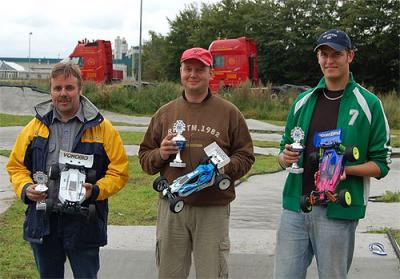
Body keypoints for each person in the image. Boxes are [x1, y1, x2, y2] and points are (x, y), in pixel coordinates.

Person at [274, 29, 392, 278]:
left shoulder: (369, 104)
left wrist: (344, 170)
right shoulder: (302, 101)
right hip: (295, 208)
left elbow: (382, 164)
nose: (329, 60)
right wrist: (286, 157)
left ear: (350, 55)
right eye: (323, 54)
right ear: (318, 58)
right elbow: (282, 153)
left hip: (337, 212)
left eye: (336, 54)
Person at [139, 47, 255, 278]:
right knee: (169, 273)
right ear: (180, 72)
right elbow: (144, 158)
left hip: (212, 208)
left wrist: (225, 167)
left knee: (212, 273)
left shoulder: (229, 113)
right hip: (173, 206)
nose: (193, 74)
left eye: (199, 69)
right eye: (188, 69)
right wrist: (161, 154)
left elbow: (246, 155)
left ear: (210, 73)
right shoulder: (165, 113)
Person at [7, 61, 129, 278]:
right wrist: (26, 188)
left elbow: (119, 171)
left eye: (69, 88)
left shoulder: (103, 128)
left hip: (85, 222)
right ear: (51, 90)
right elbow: (16, 166)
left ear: (80, 90)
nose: (63, 94)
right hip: (44, 220)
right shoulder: (34, 127)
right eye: (58, 88)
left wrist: (97, 190)